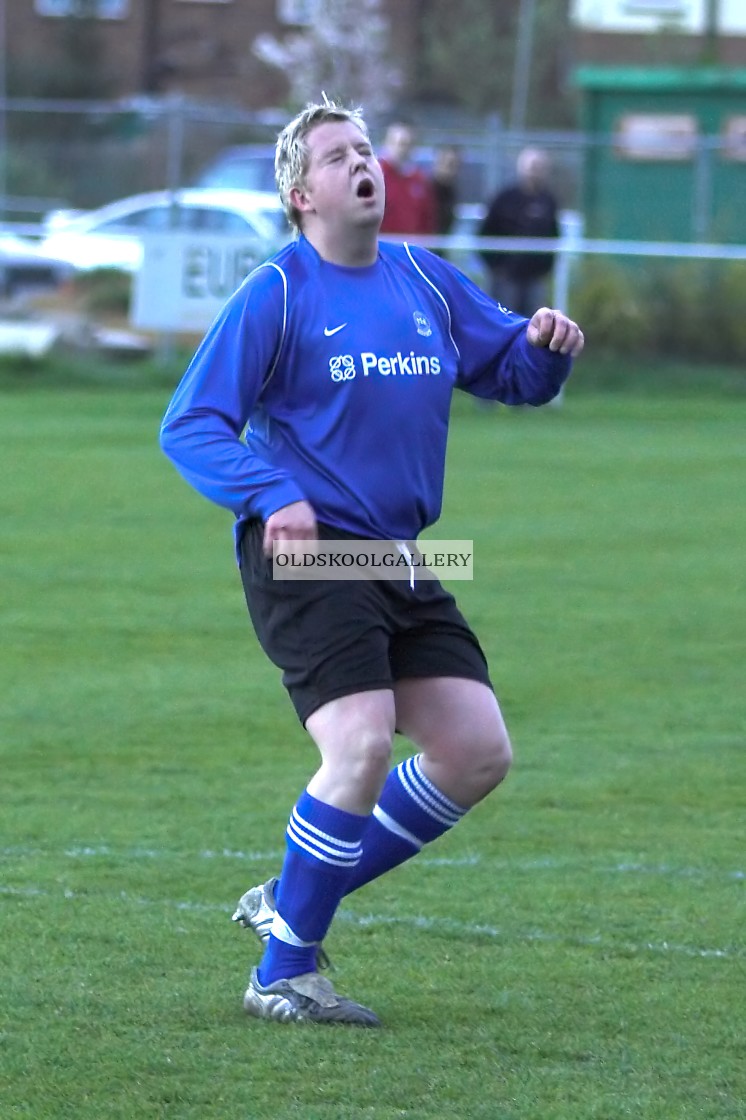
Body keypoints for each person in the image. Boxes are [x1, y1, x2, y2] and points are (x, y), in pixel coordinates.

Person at [159, 99, 583, 1029]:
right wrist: (272, 493)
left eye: (367, 151)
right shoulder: (278, 291)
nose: (364, 165)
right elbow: (189, 423)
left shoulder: (423, 279)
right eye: (339, 156)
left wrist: (546, 350)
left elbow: (509, 369)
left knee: (475, 750)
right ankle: (284, 970)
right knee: (356, 744)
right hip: (309, 557)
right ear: (299, 193)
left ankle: (292, 894)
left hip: (399, 555)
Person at [479, 147, 560, 317]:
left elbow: (554, 236)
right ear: (521, 168)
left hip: (535, 279)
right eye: (531, 167)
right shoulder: (504, 198)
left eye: (539, 167)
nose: (534, 172)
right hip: (506, 278)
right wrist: (496, 267)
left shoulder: (548, 201)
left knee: (534, 324)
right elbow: (485, 233)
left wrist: (545, 268)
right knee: (506, 320)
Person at [378, 119, 436, 235]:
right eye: (400, 143)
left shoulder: (419, 179)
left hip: (411, 248)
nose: (404, 149)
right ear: (387, 143)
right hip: (381, 247)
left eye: (409, 144)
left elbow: (427, 218)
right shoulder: (375, 175)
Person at [431, 144, 460, 237]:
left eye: (453, 165)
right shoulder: (425, 191)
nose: (448, 169)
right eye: (445, 163)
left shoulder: (452, 192)